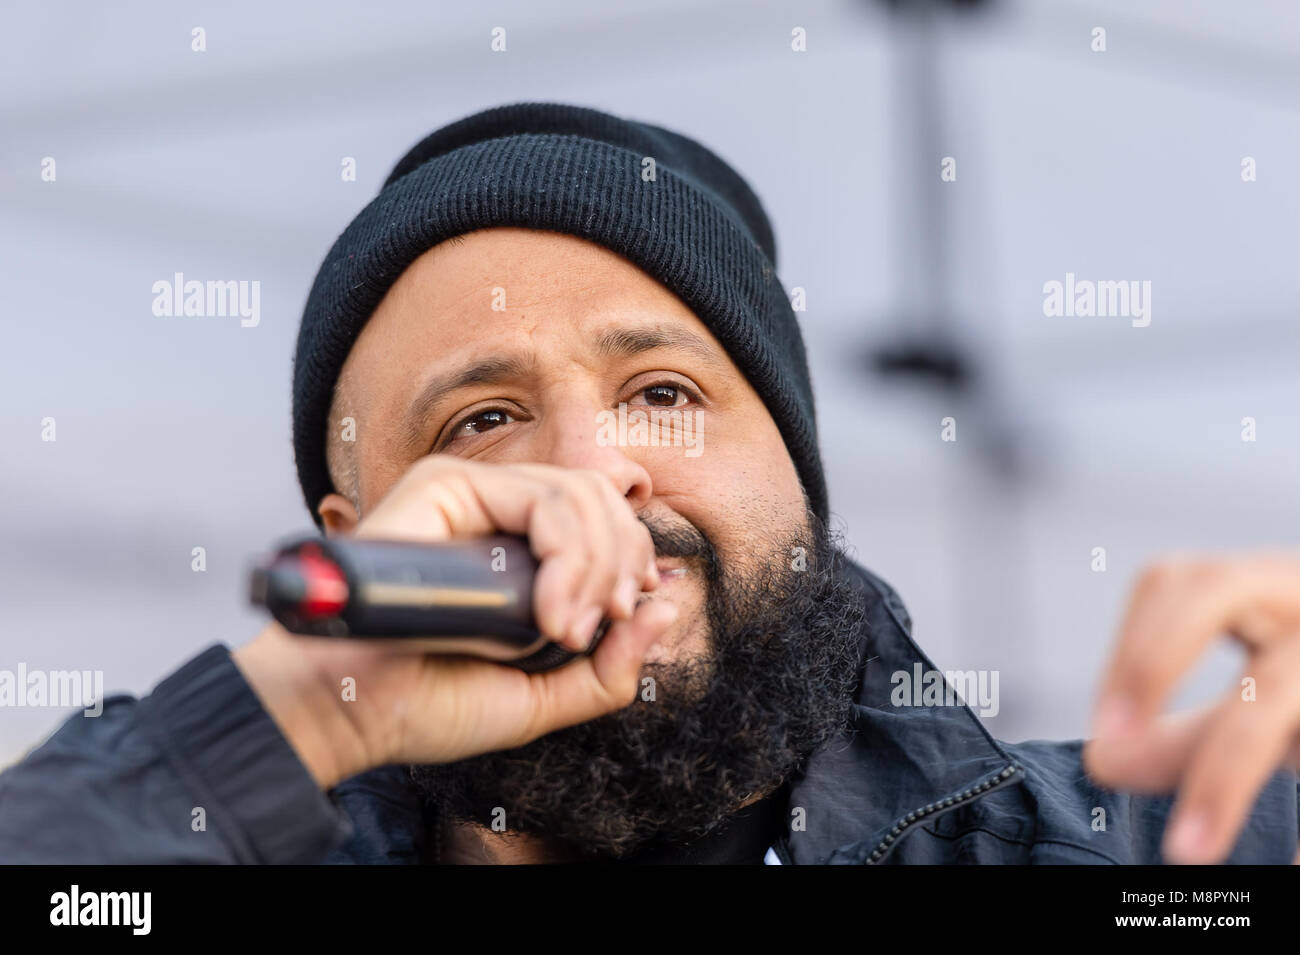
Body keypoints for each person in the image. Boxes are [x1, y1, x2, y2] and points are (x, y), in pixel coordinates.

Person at [2, 103, 1297, 865]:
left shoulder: (1146, 852)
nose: (590, 470)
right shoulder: (192, 825)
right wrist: (292, 716)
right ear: (359, 539)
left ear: (798, 476)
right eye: (485, 417)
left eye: (664, 393)